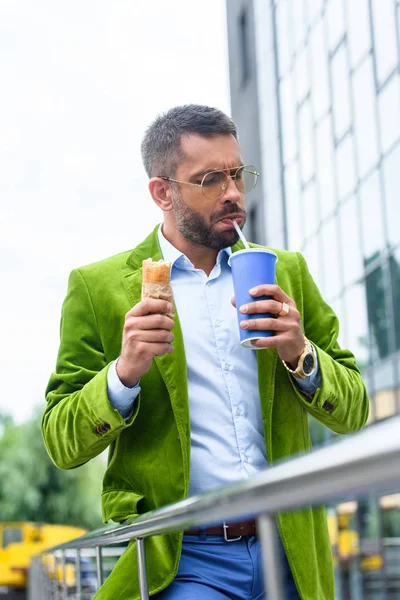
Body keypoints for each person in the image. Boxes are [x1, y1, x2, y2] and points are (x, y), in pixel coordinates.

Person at [43, 105, 369, 600]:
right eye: (211, 179)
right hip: (184, 559)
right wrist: (123, 375)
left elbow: (355, 412)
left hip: (290, 548)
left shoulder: (285, 272)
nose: (233, 193)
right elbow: (61, 443)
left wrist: (300, 353)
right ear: (162, 192)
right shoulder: (98, 289)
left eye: (237, 175)